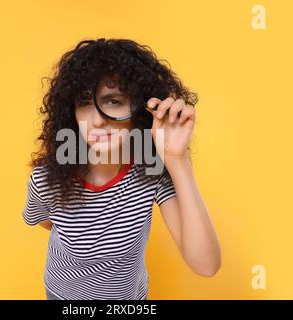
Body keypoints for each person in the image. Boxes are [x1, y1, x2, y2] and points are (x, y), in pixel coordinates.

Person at [23, 38, 221, 300]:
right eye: (84, 102)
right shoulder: (46, 180)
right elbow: (45, 221)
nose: (96, 120)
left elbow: (206, 265)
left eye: (113, 101)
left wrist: (177, 159)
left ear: (138, 108)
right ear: (71, 113)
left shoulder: (150, 171)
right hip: (62, 295)